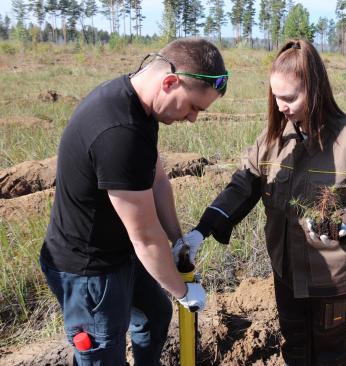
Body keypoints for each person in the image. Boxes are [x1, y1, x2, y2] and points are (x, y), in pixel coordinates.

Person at [177, 39, 346, 365]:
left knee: (328, 352)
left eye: (290, 97)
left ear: (315, 90)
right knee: (295, 344)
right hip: (286, 270)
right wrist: (201, 231)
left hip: (331, 279)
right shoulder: (272, 141)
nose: (280, 106)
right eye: (275, 96)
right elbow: (242, 187)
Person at [39, 38, 229, 365]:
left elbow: (156, 179)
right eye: (194, 107)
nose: (194, 118)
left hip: (118, 254)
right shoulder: (119, 132)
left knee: (154, 316)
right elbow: (144, 236)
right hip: (89, 272)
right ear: (170, 82)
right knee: (102, 353)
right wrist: (183, 293)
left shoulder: (139, 106)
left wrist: (178, 239)